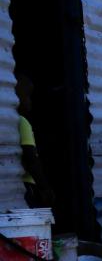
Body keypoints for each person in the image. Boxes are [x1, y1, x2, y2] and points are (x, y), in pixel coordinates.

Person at [15, 73, 53, 208]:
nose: (30, 101)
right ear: (16, 97)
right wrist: (45, 188)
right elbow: (31, 159)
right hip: (28, 186)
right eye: (27, 96)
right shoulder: (23, 122)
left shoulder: (13, 122)